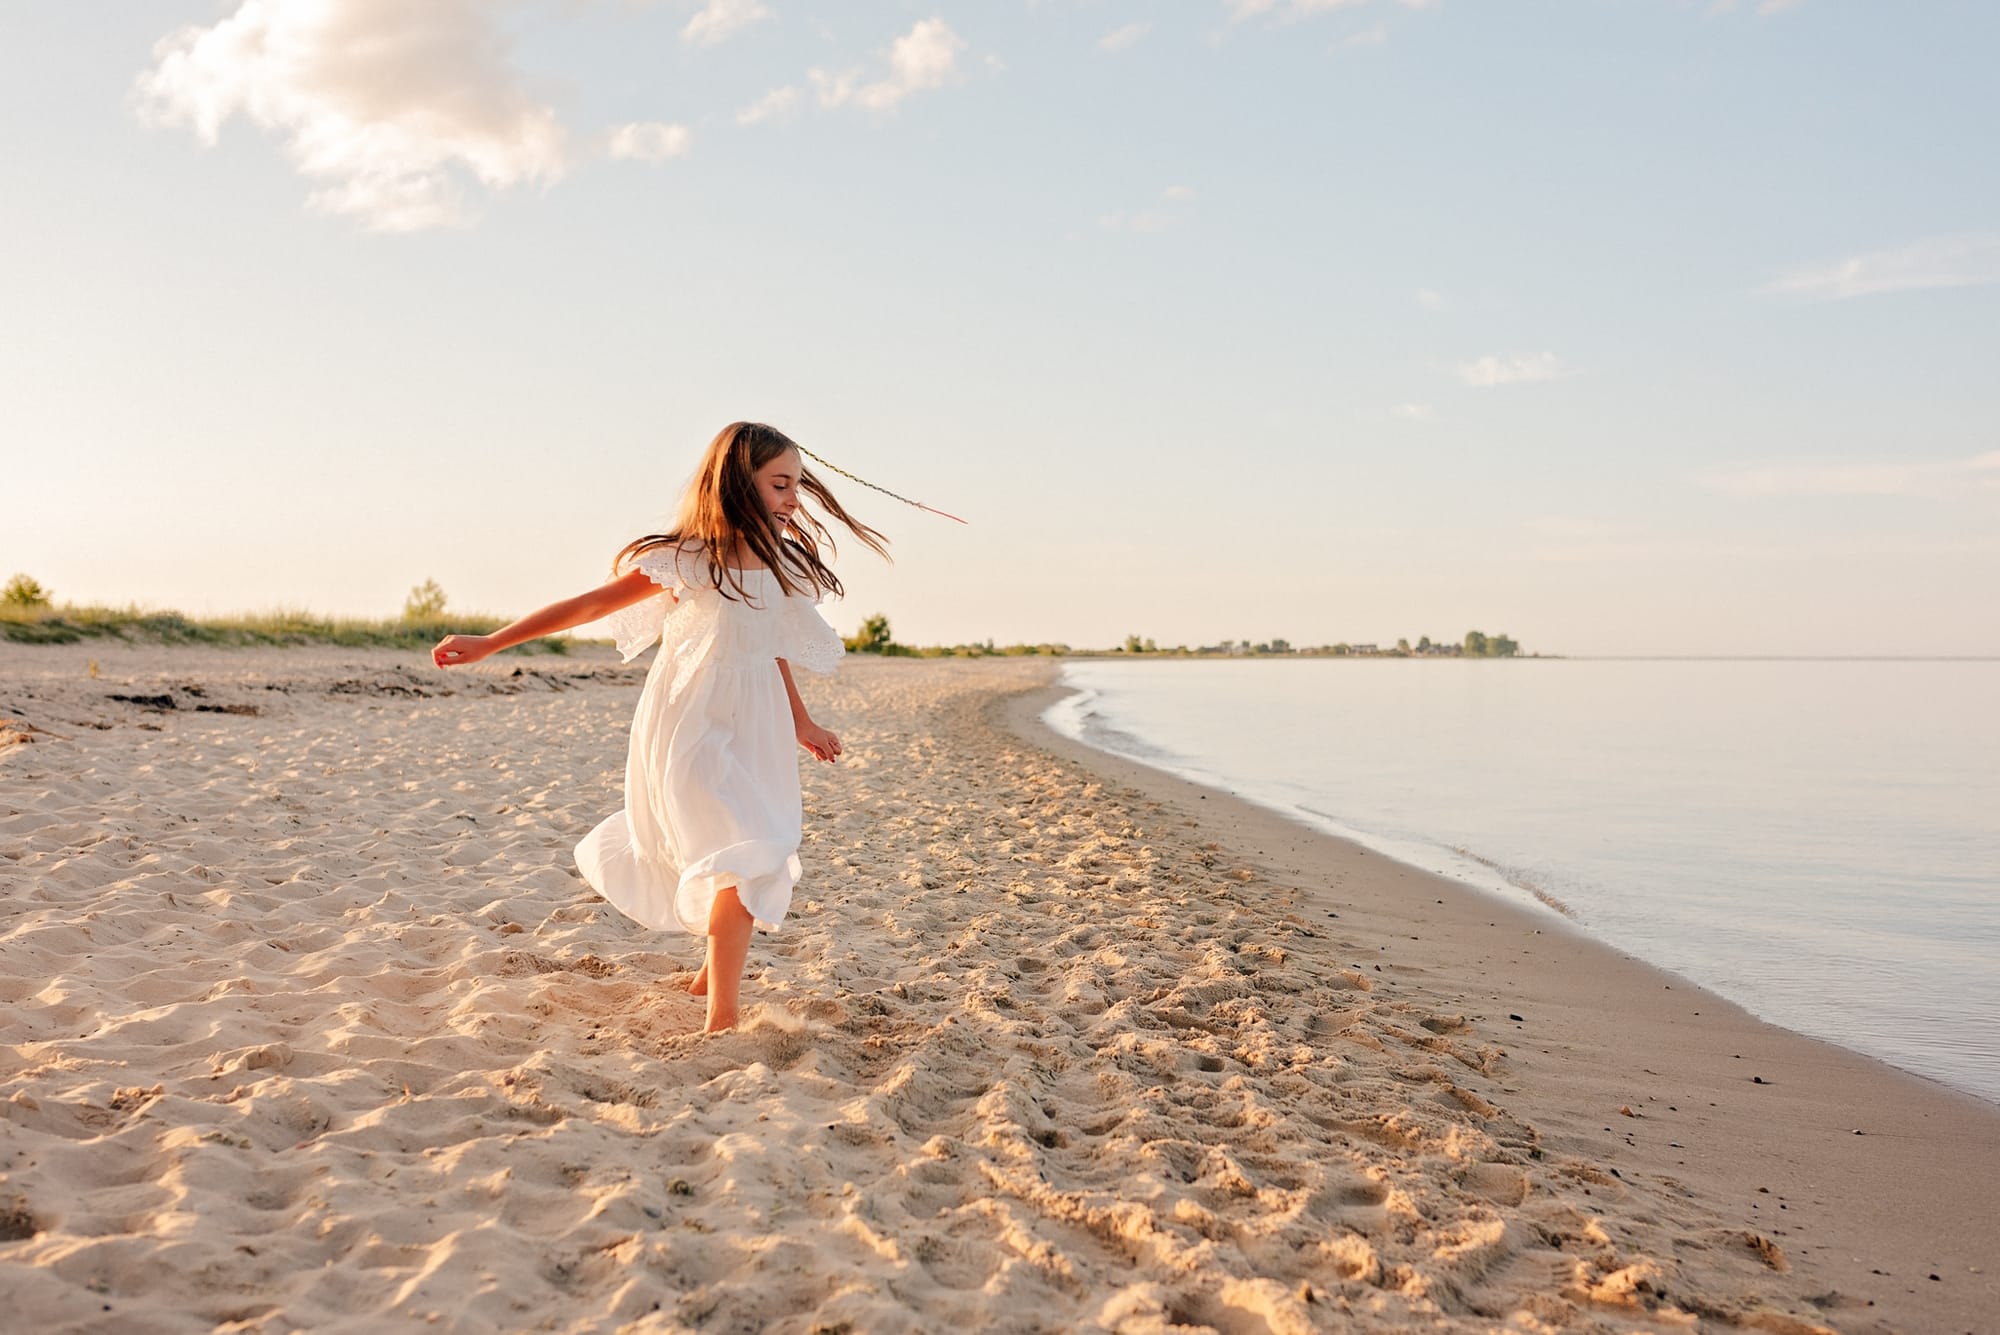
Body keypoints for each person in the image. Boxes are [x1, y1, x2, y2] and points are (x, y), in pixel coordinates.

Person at [431, 422, 888, 1032]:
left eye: (796, 487)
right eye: (780, 485)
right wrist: (492, 641)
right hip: (690, 723)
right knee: (743, 852)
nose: (792, 500)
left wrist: (800, 720)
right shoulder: (691, 560)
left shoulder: (779, 567)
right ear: (735, 484)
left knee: (752, 845)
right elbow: (589, 605)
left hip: (757, 729)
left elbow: (771, 644)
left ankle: (710, 973)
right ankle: (722, 1015)